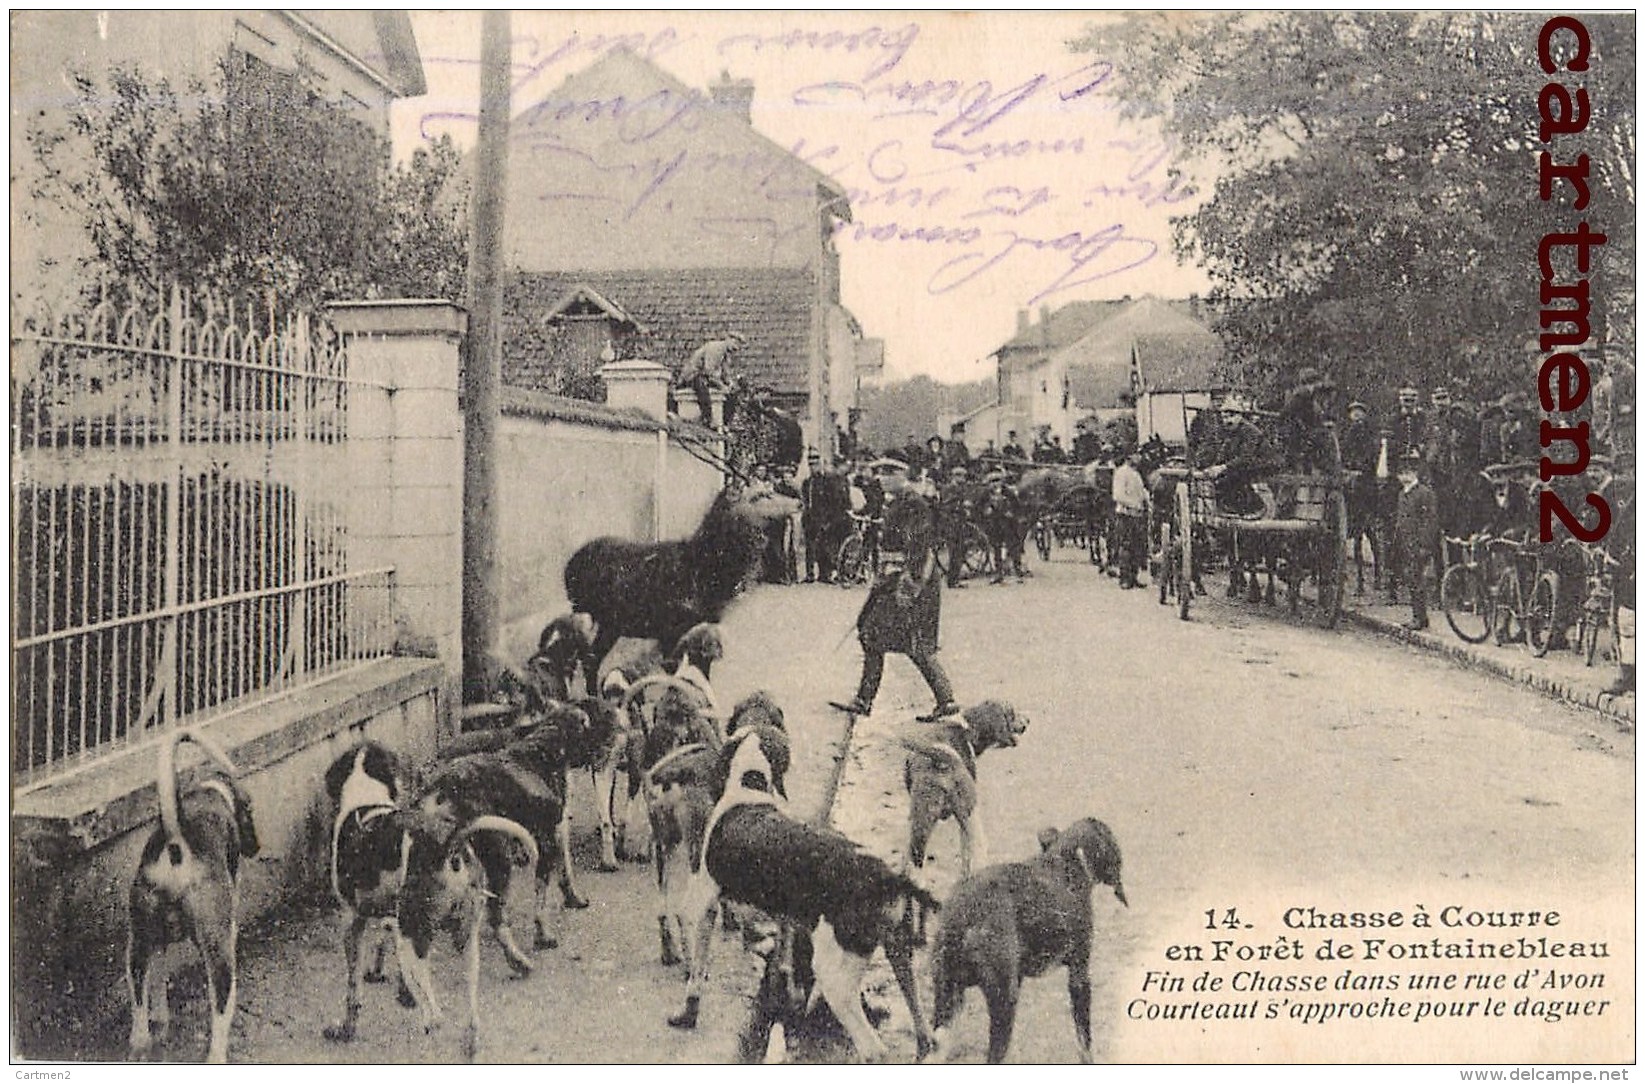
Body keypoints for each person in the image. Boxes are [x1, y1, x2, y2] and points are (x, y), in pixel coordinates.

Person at [831, 461, 958, 721]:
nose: (882, 478)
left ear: (903, 474)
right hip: (893, 577)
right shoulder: (897, 501)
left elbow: (919, 546)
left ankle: (946, 701)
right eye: (879, 473)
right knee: (872, 633)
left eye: (888, 474)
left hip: (912, 579)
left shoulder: (914, 503)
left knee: (912, 641)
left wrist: (909, 584)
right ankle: (865, 700)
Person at [1391, 452, 1438, 630]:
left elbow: (1430, 521)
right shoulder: (1402, 495)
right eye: (1401, 473)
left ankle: (1419, 618)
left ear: (1415, 474)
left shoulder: (1425, 493)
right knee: (1411, 579)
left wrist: (1425, 545)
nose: (1405, 477)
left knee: (1417, 580)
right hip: (1405, 543)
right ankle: (1419, 616)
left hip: (1419, 544)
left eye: (1408, 473)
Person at [802, 452, 850, 584]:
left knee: (823, 546)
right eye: (810, 465)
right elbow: (806, 501)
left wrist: (828, 519)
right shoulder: (807, 483)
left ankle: (824, 574)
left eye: (816, 464)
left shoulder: (827, 482)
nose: (813, 468)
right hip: (809, 518)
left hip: (822, 518)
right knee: (810, 546)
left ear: (821, 465)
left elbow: (831, 501)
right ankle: (809, 574)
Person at [677, 332, 744, 424]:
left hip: (706, 377)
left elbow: (725, 372)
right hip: (692, 376)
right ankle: (707, 418)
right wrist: (722, 386)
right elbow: (709, 372)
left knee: (732, 393)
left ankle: (725, 422)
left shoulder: (725, 353)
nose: (735, 349)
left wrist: (730, 383)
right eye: (734, 344)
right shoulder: (715, 348)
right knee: (702, 385)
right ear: (728, 339)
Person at [1111, 453, 1149, 589]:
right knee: (1126, 545)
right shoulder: (1121, 473)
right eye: (1137, 456)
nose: (1140, 458)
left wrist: (1147, 498)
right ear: (1129, 458)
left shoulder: (1136, 473)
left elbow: (1141, 491)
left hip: (1137, 515)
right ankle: (1124, 579)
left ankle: (1134, 577)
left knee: (1137, 546)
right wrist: (1134, 504)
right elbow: (1118, 495)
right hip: (1125, 514)